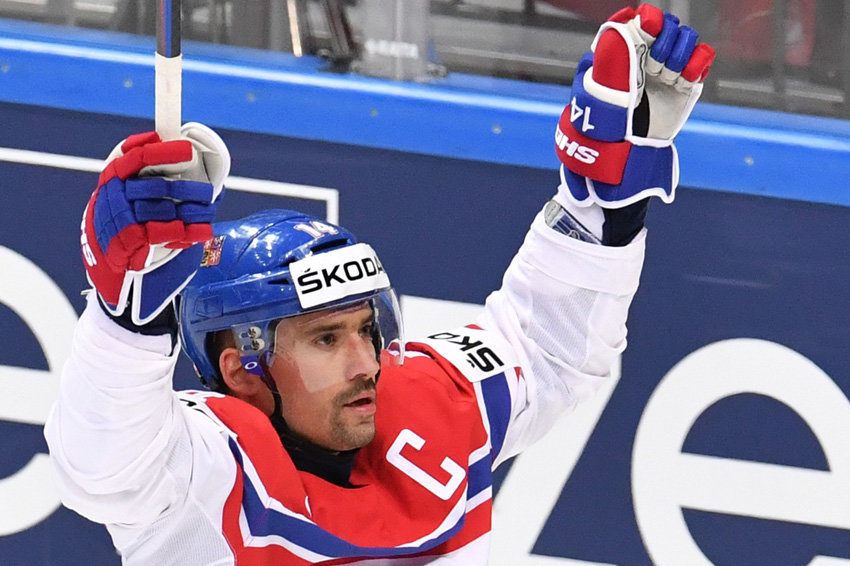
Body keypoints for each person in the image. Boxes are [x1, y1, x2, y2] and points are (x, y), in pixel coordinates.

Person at [45, 4, 714, 564]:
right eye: (326, 338)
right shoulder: (203, 475)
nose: (366, 361)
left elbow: (547, 349)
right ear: (242, 367)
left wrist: (601, 207)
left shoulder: (431, 411)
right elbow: (104, 468)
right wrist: (125, 323)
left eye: (366, 329)